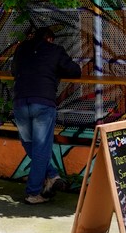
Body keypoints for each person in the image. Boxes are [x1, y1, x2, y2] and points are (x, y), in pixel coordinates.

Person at [11, 25, 81, 204]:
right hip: (43, 103)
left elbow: (14, 71)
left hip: (20, 101)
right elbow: (75, 71)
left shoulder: (21, 48)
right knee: (41, 149)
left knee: (28, 143)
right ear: (49, 39)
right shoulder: (55, 50)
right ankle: (33, 193)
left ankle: (52, 176)